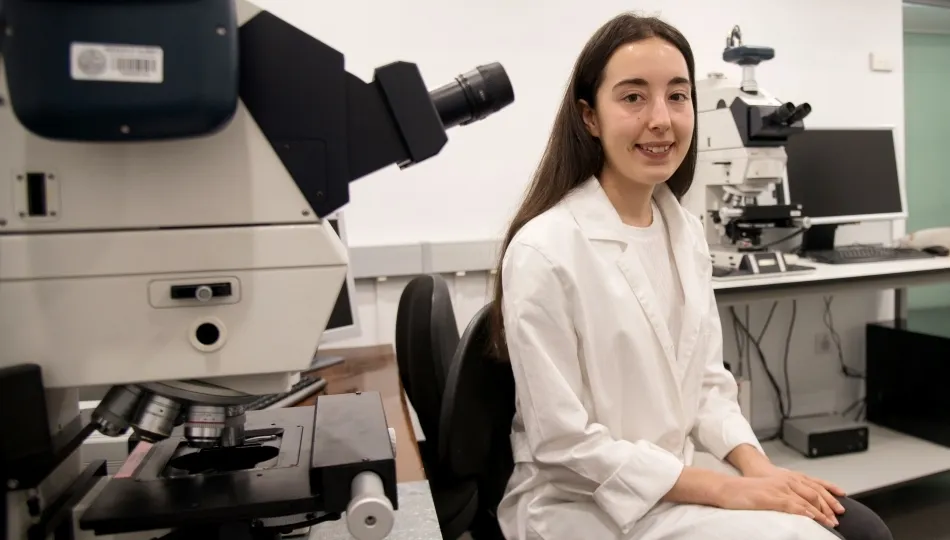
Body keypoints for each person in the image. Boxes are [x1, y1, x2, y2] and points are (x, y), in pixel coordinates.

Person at [487, 13, 893, 540]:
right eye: (633, 97)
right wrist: (727, 489)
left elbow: (707, 386)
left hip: (677, 481)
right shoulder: (546, 250)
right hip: (586, 505)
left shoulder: (683, 231)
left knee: (863, 528)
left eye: (677, 96)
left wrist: (758, 469)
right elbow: (565, 448)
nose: (662, 119)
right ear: (589, 117)